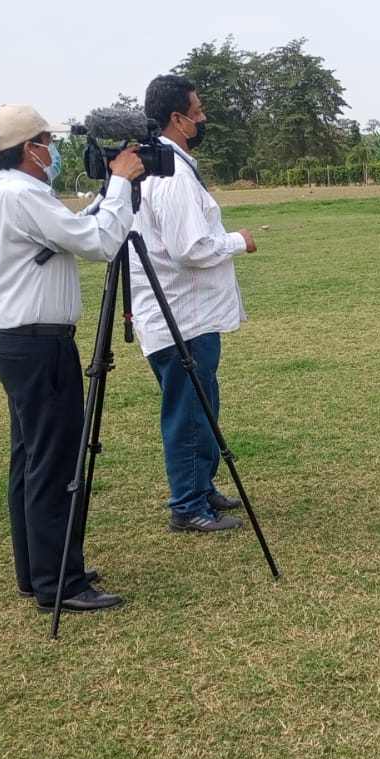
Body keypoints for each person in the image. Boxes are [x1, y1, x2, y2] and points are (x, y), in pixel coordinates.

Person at [0, 104, 144, 614]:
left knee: (31, 460)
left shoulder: (5, 192)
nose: (54, 151)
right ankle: (60, 583)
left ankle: (37, 570)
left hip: (17, 341)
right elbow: (100, 243)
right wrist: (121, 182)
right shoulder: (23, 195)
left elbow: (70, 230)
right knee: (53, 464)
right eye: (48, 142)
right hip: (39, 344)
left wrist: (106, 198)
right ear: (31, 149)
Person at [125, 74, 256, 533]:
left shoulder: (157, 165)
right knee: (188, 413)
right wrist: (239, 241)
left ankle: (202, 487)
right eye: (197, 112)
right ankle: (187, 505)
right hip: (182, 316)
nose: (203, 119)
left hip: (184, 313)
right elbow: (190, 248)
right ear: (178, 119)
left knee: (201, 405)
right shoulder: (173, 175)